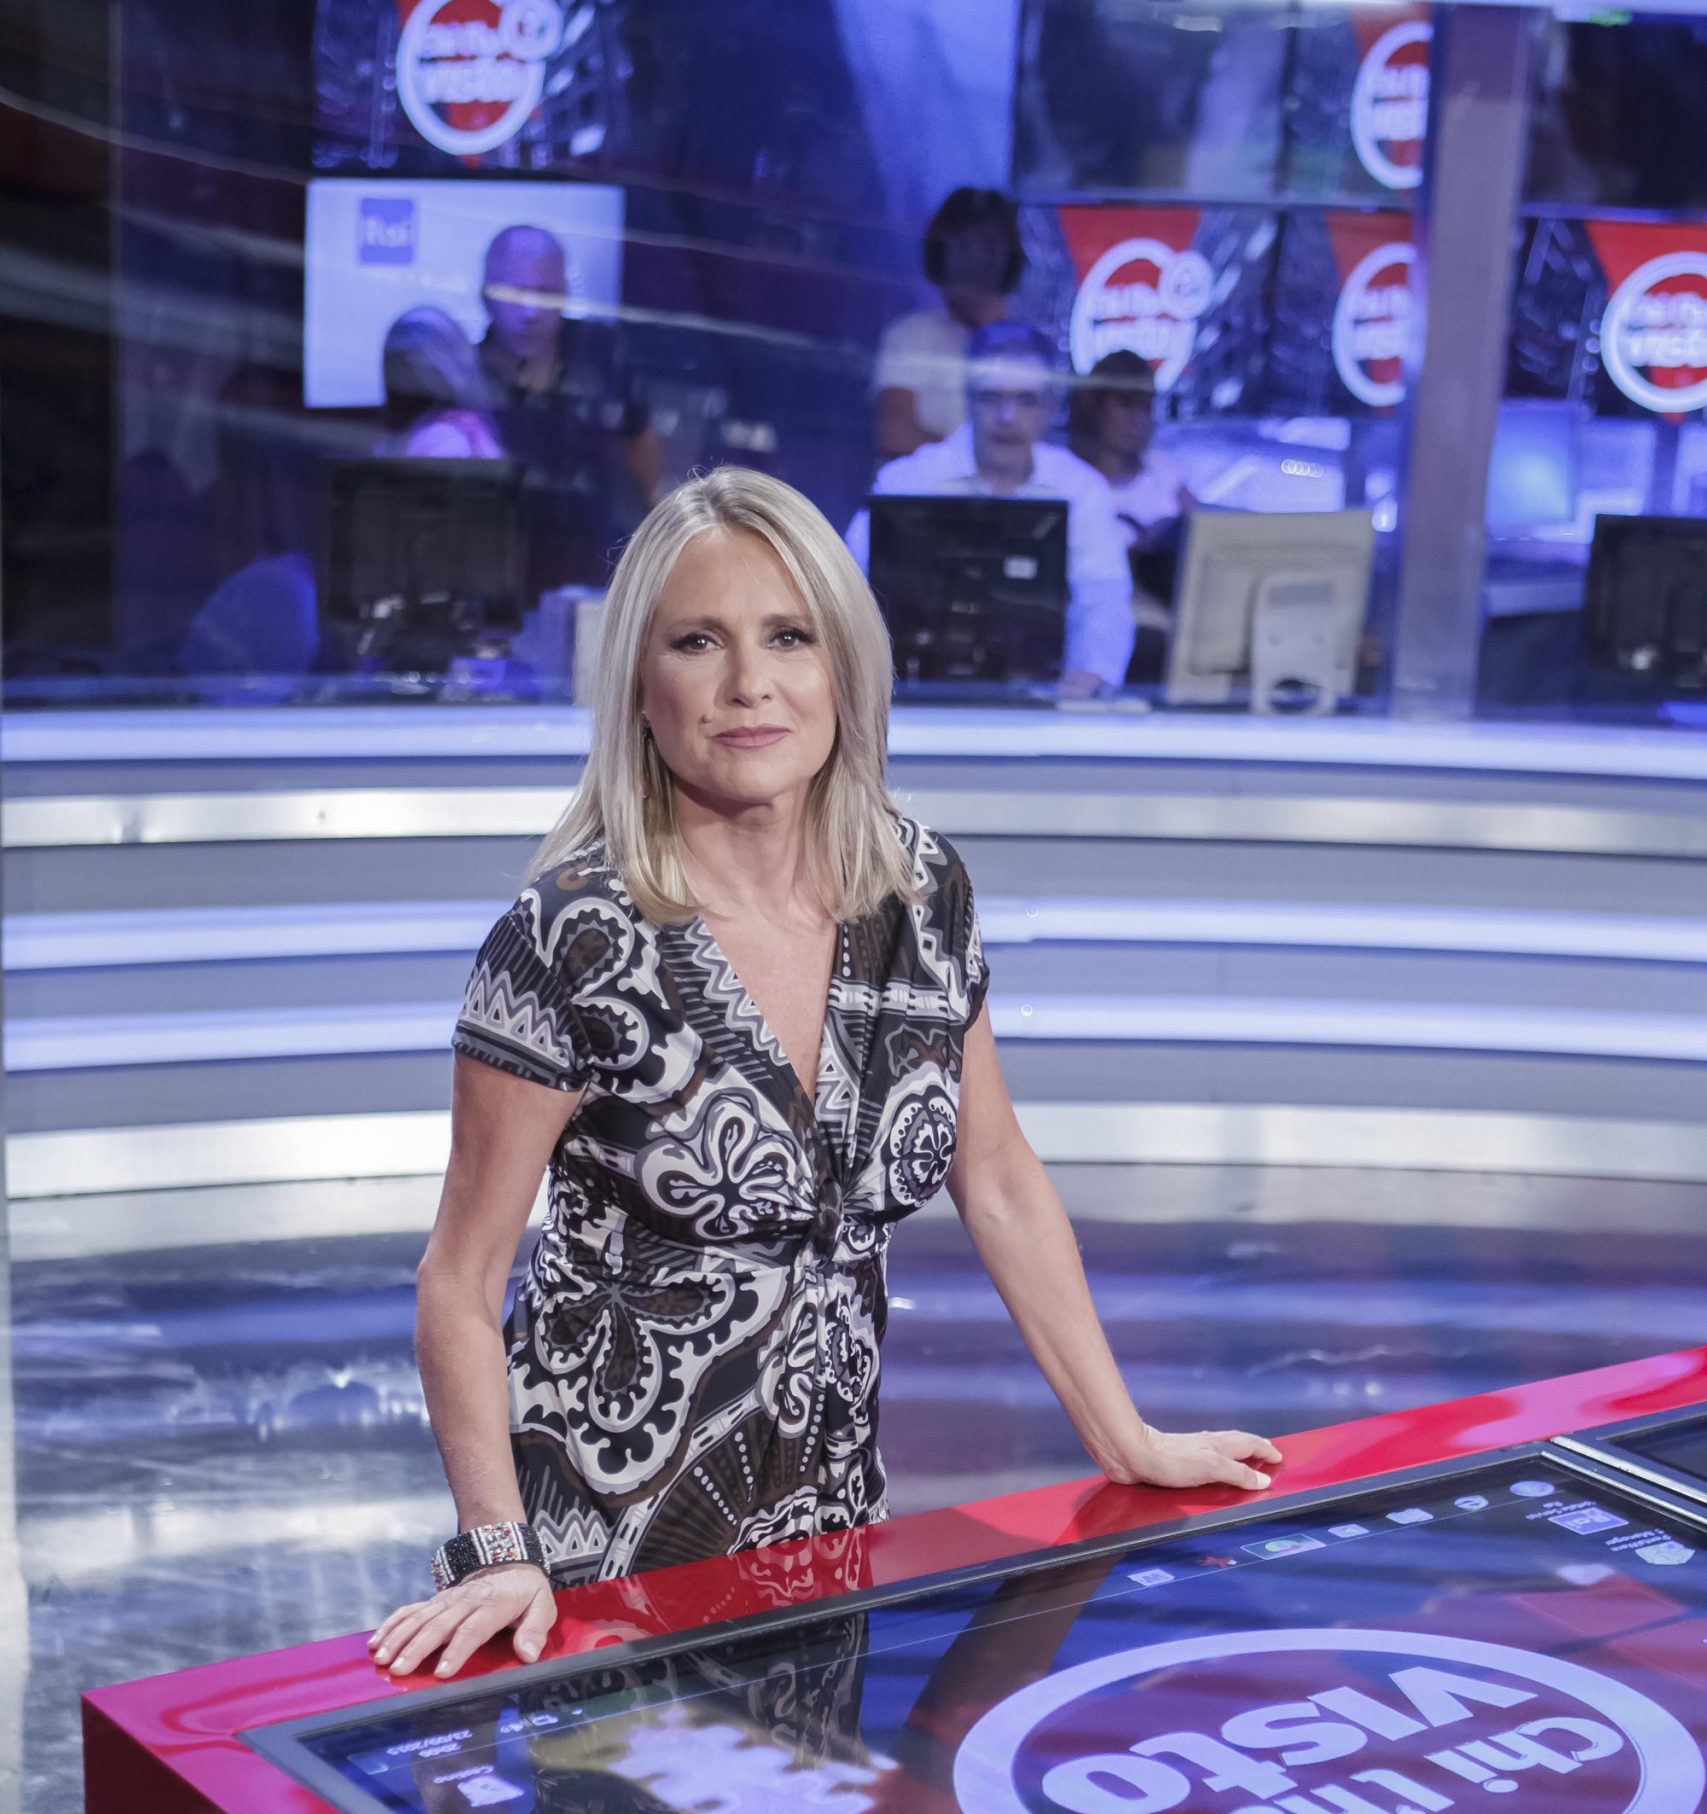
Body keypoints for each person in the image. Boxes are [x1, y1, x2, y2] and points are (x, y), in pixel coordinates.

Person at [368, 469, 1281, 1679]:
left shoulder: (919, 892)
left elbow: (998, 1176)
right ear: (640, 685)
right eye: (699, 641)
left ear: (845, 668)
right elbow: (460, 1275)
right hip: (601, 1563)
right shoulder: (569, 938)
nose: (750, 682)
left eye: (789, 637)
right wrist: (496, 1549)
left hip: (832, 1536)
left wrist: (1126, 1436)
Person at [847, 321, 1135, 696]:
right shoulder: (906, 481)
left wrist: (1090, 674)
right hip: (910, 696)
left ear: (1049, 408)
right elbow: (847, 591)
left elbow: (1103, 597)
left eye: (1026, 400)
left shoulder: (1081, 489)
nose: (1007, 417)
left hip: (1041, 700)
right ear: (968, 400)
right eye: (991, 398)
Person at [476, 224, 665, 589]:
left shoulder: (601, 356)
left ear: (564, 296)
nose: (531, 311)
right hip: (500, 573)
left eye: (546, 293)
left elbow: (640, 439)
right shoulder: (468, 381)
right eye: (515, 292)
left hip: (598, 568)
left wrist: (665, 533)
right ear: (486, 296)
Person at [873, 188, 1025, 462]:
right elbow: (895, 435)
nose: (971, 261)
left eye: (987, 247)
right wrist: (982, 464)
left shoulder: (1028, 349)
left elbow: (1032, 451)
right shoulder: (911, 335)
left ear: (1008, 259)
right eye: (961, 246)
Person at [1066, 348, 1191, 550]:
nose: (1137, 419)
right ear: (1094, 406)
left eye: (1146, 406)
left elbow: (1206, 534)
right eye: (1125, 404)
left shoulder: (1162, 469)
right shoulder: (1064, 476)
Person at [378, 306, 503, 460]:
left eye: (422, 361)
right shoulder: (429, 430)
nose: (406, 375)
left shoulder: (446, 438)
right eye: (398, 361)